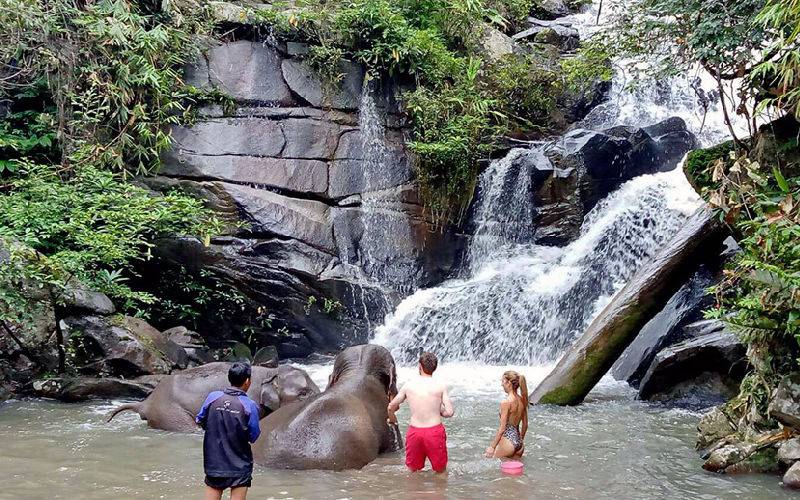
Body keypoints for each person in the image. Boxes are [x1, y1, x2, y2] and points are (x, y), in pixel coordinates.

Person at [196, 362, 261, 500]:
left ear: (229, 378)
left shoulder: (213, 397)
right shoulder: (249, 406)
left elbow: (200, 420)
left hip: (214, 462)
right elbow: (253, 436)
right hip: (239, 464)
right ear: (247, 381)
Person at [388, 351, 454, 473]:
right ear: (435, 367)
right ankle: (439, 492)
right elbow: (449, 412)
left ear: (420, 366)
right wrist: (439, 409)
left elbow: (391, 406)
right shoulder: (440, 386)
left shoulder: (409, 386)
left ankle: (414, 492)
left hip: (415, 432)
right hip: (435, 432)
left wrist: (391, 416)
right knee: (440, 471)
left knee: (413, 471)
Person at [485, 370, 528, 459]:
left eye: (503, 381)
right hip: (519, 443)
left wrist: (492, 447)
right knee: (515, 472)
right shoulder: (522, 400)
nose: (501, 384)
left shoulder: (506, 402)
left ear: (509, 383)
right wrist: (520, 440)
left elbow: (502, 428)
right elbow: (525, 425)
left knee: (490, 464)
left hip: (508, 441)